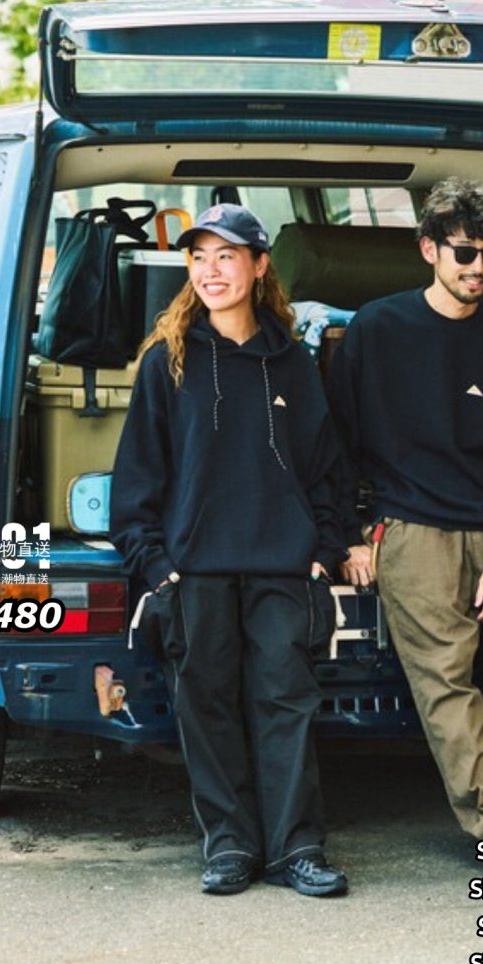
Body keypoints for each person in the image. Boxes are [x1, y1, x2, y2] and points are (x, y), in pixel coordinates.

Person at [325, 178, 483, 884]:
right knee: (447, 678)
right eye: (465, 252)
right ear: (429, 250)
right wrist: (347, 534)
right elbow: (336, 443)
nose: (478, 267)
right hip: (412, 531)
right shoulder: (375, 329)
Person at [110, 204, 348, 897]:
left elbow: (326, 470)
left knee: (286, 706)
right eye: (199, 258)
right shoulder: (168, 362)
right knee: (206, 710)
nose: (210, 271)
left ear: (259, 265)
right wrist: (158, 568)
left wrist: (323, 550)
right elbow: (138, 478)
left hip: (283, 567)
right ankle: (230, 846)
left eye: (226, 256)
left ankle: (298, 848)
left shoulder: (293, 363)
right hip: (196, 571)